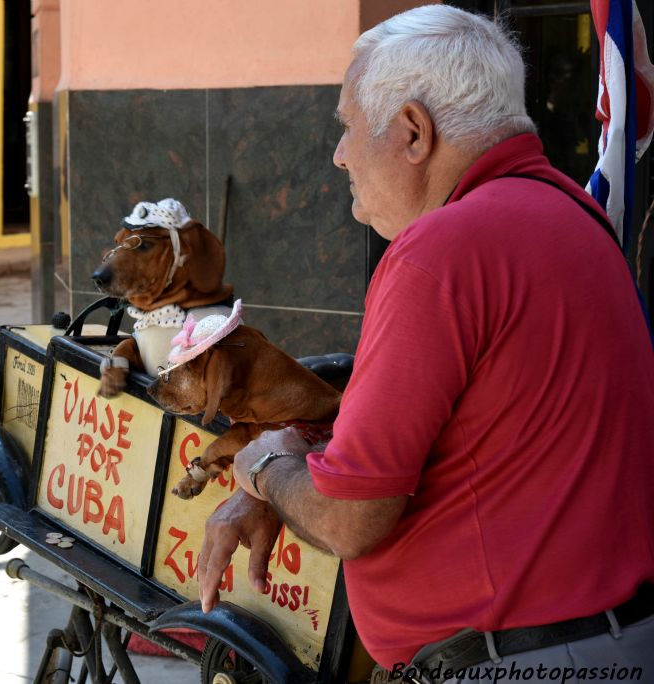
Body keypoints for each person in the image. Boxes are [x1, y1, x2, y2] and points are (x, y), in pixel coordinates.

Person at [196, 6, 654, 681]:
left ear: (413, 132)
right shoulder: (571, 214)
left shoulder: (441, 251)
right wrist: (289, 480)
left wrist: (263, 469)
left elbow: (352, 517)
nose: (339, 154)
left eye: (349, 128)